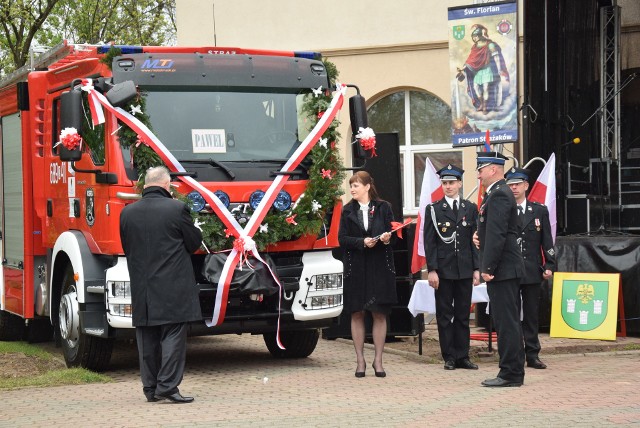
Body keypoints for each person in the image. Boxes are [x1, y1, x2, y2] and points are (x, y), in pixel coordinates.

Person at [120, 166, 203, 403]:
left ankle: (150, 388)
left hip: (142, 286)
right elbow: (193, 241)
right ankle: (167, 386)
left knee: (147, 337)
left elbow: (127, 248)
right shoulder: (176, 209)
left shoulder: (127, 213)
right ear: (167, 185)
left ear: (146, 185)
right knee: (173, 335)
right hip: (172, 285)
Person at [338, 171, 396, 378]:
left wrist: (387, 239)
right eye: (351, 185)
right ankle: (360, 360)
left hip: (379, 267)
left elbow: (395, 235)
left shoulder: (383, 207)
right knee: (357, 312)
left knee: (379, 312)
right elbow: (342, 239)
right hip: (357, 268)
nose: (352, 189)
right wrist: (361, 242)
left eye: (356, 185)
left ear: (367, 187)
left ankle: (378, 360)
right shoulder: (346, 211)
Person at [423, 164, 480, 371]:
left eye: (452, 183)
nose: (448, 187)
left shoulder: (470, 208)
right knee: (445, 315)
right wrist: (432, 269)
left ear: (459, 184)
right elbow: (429, 242)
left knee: (463, 314)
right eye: (445, 183)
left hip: (464, 269)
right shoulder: (435, 210)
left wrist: (476, 268)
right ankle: (449, 356)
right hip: (444, 270)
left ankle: (463, 355)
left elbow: (475, 241)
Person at [475, 152, 525, 387]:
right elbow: (492, 231)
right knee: (507, 321)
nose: (479, 173)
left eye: (481, 168)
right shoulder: (496, 194)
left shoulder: (499, 195)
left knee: (507, 323)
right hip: (503, 267)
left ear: (493, 169)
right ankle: (512, 370)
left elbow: (498, 235)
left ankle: (510, 373)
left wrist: (487, 267)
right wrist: (479, 237)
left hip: (502, 268)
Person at [505, 167, 556, 370]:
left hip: (532, 269)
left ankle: (532, 354)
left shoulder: (539, 210)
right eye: (510, 184)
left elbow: (547, 241)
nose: (514, 188)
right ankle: (515, 353)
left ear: (526, 186)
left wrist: (549, 264)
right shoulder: (504, 209)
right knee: (513, 314)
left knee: (532, 314)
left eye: (517, 184)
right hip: (509, 270)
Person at [456, 24, 510, 115]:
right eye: (473, 37)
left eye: (476, 36)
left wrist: (500, 69)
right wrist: (462, 69)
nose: (474, 38)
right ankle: (481, 103)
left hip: (487, 70)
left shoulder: (490, 44)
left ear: (480, 35)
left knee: (485, 88)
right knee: (476, 87)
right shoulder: (475, 47)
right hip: (478, 71)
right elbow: (471, 60)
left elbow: (496, 57)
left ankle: (484, 106)